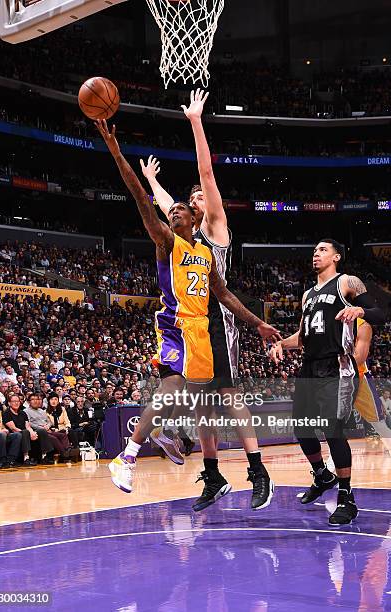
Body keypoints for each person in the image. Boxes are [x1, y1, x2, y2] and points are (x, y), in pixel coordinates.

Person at [95, 118, 280, 497]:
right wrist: (117, 151)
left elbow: (225, 296)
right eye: (173, 209)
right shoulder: (166, 240)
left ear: (195, 219)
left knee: (193, 400)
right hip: (176, 326)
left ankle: (167, 435)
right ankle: (128, 456)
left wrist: (257, 323)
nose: (175, 210)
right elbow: (141, 197)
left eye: (182, 208)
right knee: (172, 391)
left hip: (201, 332)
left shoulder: (204, 253)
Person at [140, 89, 275, 511]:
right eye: (191, 197)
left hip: (218, 317)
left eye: (198, 197)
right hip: (191, 322)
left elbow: (208, 175)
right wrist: (152, 182)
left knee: (230, 396)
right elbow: (166, 206)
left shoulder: (215, 228)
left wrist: (196, 122)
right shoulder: (184, 234)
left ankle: (258, 471)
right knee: (202, 404)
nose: (195, 198)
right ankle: (213, 475)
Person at [270, 239, 385, 525]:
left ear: (336, 256)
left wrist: (360, 311)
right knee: (301, 428)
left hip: (336, 365)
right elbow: (303, 336)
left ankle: (347, 497)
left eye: (322, 250)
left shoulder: (347, 282)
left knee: (333, 431)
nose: (316, 254)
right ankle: (322, 475)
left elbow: (379, 314)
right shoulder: (308, 294)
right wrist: (282, 344)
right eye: (314, 251)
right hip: (309, 366)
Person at [353, 320, 391, 452]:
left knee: (378, 422)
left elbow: (360, 357)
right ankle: (330, 467)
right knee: (333, 426)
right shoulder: (324, 319)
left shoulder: (360, 324)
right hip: (333, 378)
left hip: (358, 377)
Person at [24, 393, 71, 463]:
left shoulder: (42, 411)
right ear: (29, 401)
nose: (35, 401)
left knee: (63, 435)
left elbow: (50, 422)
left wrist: (47, 426)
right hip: (38, 431)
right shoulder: (26, 411)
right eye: (32, 399)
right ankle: (64, 454)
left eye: (37, 399)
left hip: (47, 429)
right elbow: (28, 423)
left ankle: (68, 450)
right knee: (54, 438)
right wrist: (41, 427)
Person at [3, 394, 40, 466]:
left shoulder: (23, 413)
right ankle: (26, 457)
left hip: (24, 432)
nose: (16, 403)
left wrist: (32, 432)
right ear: (9, 403)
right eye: (14, 401)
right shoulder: (6, 413)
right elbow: (13, 428)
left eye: (17, 401)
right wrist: (27, 433)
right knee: (25, 432)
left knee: (40, 431)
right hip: (13, 434)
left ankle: (42, 457)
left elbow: (28, 426)